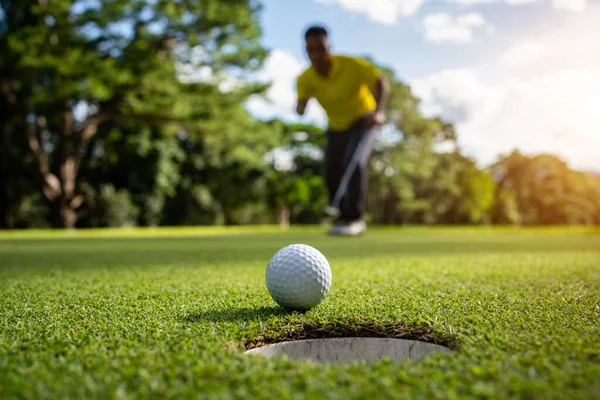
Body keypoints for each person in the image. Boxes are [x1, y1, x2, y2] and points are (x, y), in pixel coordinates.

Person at [295, 25, 390, 236]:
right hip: (336, 126)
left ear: (330, 46)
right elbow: (301, 104)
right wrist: (301, 105)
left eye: (321, 48)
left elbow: (380, 81)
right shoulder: (305, 78)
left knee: (354, 162)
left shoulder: (351, 65)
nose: (317, 55)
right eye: (311, 50)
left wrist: (378, 111)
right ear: (306, 51)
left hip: (363, 120)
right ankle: (342, 218)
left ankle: (356, 219)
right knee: (331, 171)